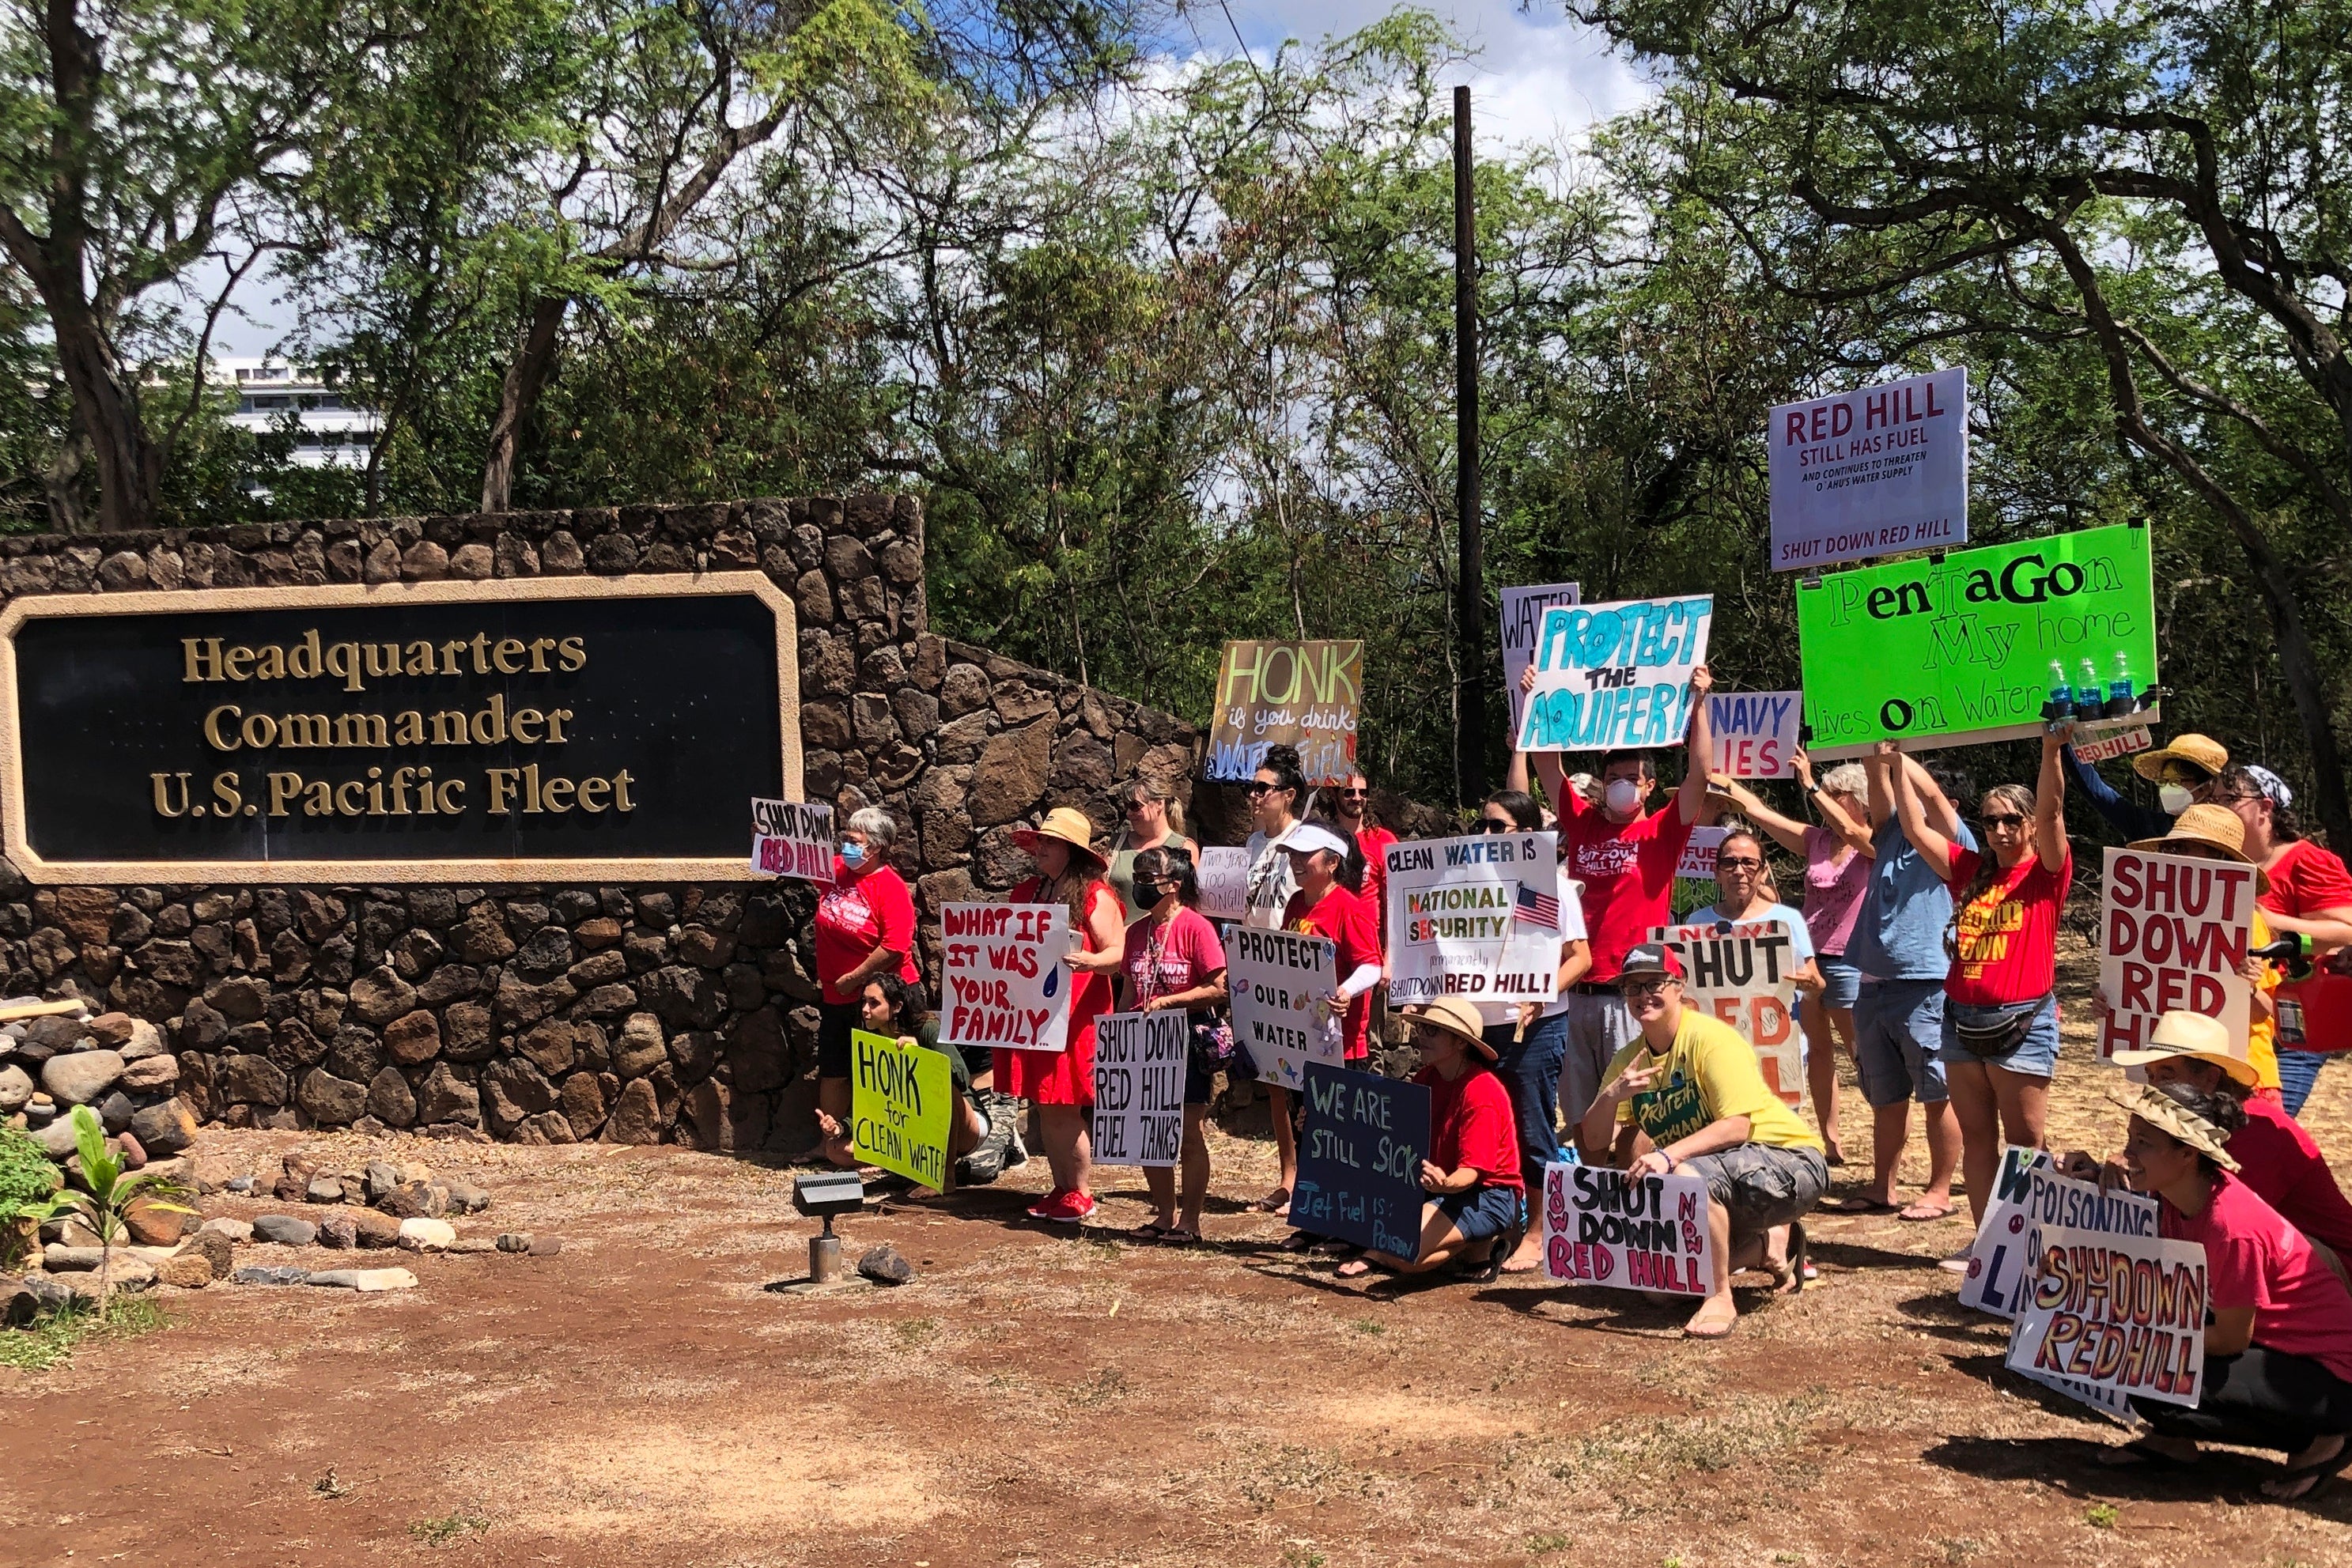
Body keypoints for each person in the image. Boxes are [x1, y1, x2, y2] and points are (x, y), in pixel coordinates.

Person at [2066, 1082, 2352, 1500]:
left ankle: (2327, 1437)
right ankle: (2172, 1440)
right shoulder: (2176, 1198)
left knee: (2148, 1371)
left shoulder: (2231, 1226)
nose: (2127, 1153)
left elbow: (2233, 1338)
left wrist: (2140, 1341)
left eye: (2143, 1143)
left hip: (2332, 1372)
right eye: (2131, 1138)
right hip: (2285, 1352)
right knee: (2142, 1367)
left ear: (2187, 1153)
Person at [1579, 942, 1829, 1338]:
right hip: (1717, 1176)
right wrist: (1611, 1097)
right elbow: (1594, 1141)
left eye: (1654, 984)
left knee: (1686, 1175)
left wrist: (1667, 1155)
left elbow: (1737, 1127)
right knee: (1660, 1291)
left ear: (1679, 987)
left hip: (1790, 1161)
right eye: (1632, 987)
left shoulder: (1711, 1039)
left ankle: (1719, 1297)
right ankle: (1768, 1244)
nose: (1643, 995)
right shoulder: (1629, 1060)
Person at [1515, 662, 1718, 1135]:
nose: (1620, 785)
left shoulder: (1664, 829)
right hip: (1575, 991)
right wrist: (1537, 700)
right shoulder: (1583, 823)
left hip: (1631, 993)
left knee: (1634, 1117)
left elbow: (1700, 775)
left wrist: (1700, 705)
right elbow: (1547, 766)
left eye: (1631, 776)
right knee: (1581, 1118)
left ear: (1649, 785)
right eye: (1612, 777)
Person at [1887, 728, 2070, 1234]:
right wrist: (1896, 765)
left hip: (2022, 1022)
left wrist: (2051, 751)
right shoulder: (1971, 871)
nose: (2000, 830)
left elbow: (2054, 812)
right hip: (1961, 1021)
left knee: (2025, 1142)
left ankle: (2030, 1242)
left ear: (2029, 824)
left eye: (2012, 820)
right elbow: (1915, 827)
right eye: (1990, 821)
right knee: (1977, 1138)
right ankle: (1987, 1247)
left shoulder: (2046, 873)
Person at [1713, 755, 1873, 1164]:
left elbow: (1851, 831)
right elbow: (1759, 812)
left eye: (1838, 794)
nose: (1829, 800)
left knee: (1863, 1055)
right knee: (1818, 1051)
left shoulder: (1870, 842)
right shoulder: (1815, 840)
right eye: (1828, 792)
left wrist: (1811, 784)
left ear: (1859, 800)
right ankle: (1830, 1140)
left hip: (1852, 958)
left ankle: (1885, 1129)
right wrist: (1725, 782)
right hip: (1806, 957)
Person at [2105, 1011, 2352, 1264]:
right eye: (2151, 1076)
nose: (2154, 1088)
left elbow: (2226, 1223)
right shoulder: (2193, 1129)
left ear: (2211, 1078)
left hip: (2329, 1266)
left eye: (2167, 1076)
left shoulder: (2257, 1131)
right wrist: (2118, 1173)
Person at [1837, 750, 1968, 1224]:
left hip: (1925, 984)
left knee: (1937, 1093)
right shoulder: (1891, 831)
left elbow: (1929, 792)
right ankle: (1883, 1187)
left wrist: (1897, 757)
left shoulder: (1956, 841)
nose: (1909, 802)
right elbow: (1879, 786)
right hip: (1872, 984)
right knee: (1885, 1097)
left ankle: (1939, 1189)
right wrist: (1874, 755)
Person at [1473, 790, 1593, 1272]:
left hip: (1536, 1027)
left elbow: (1581, 958)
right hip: (1479, 1025)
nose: (1485, 835)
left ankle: (1541, 1230)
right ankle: (1497, 1220)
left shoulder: (1554, 888)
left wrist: (1541, 995)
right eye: (1481, 825)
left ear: (1525, 833)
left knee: (1532, 1126)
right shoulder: (1466, 884)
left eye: (1496, 827)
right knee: (1487, 1127)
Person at [2094, 806, 2286, 1098]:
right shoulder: (2148, 917)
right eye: (2171, 847)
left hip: (2243, 1081)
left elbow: (2267, 1013)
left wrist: (2247, 987)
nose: (2174, 855)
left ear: (2219, 858)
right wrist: (2111, 1003)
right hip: (2174, 1078)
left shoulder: (2249, 921)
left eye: (2184, 847)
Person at [1335, 998, 1524, 1281]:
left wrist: (1445, 1185)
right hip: (1436, 1187)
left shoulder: (1482, 1091)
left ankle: (1393, 1251)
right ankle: (1472, 1247)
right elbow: (1390, 1131)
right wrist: (1318, 1121)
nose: (1421, 1036)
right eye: (1422, 1028)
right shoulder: (1427, 1077)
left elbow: (1472, 1172)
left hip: (1485, 1194)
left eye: (1433, 1031)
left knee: (1400, 1250)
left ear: (1460, 1043)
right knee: (1401, 1251)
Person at [997, 807, 1126, 1224]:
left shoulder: (1095, 896)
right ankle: (1062, 1186)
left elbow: (1117, 954)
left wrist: (1090, 961)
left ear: (1073, 851)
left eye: (1051, 842)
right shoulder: (1027, 892)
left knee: (1064, 1106)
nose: (1041, 847)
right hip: (1035, 1017)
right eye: (1041, 839)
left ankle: (1081, 1192)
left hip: (1076, 1020)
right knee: (1046, 1104)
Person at [2219, 763, 2352, 1115]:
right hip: (2240, 1027)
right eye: (2215, 800)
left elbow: (2347, 931)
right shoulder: (2224, 865)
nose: (2221, 809)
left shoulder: (2307, 860)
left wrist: (2272, 922)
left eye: (2231, 799)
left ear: (2266, 807)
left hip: (2293, 1025)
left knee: (2267, 1128)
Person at [1120, 845, 1230, 1244]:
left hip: (1186, 1037)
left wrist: (1170, 1002)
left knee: (1188, 1130)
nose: (1141, 886)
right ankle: (1164, 1215)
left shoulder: (1196, 928)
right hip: (1145, 1039)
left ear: (1175, 885)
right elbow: (1128, 992)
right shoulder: (1135, 933)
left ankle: (1191, 1220)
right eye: (1137, 878)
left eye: (1149, 879)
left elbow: (1219, 988)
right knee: (1150, 1128)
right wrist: (1116, 1038)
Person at [811, 807, 922, 1168]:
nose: (845, 845)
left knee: (884, 1070)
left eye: (854, 840)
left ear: (874, 847)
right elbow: (797, 861)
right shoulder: (836, 871)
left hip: (881, 997)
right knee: (834, 1067)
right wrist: (766, 841)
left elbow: (895, 946)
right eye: (846, 838)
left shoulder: (891, 887)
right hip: (837, 994)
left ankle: (894, 1145)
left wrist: (856, 978)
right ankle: (829, 1141)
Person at [815, 973, 989, 1173]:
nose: (865, 1009)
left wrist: (921, 1056)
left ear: (897, 1007)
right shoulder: (871, 1043)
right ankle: (897, 1163)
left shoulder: (926, 1027)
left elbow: (961, 1077)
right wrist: (840, 1127)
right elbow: (871, 1102)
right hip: (908, 1130)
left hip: (961, 1128)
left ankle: (936, 1171)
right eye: (864, 1002)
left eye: (874, 1003)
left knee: (947, 1090)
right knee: (835, 1149)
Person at [2061, 731, 2228, 841]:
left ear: (2207, 786)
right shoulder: (2150, 827)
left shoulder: (2230, 833)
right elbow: (2098, 792)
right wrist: (2065, 743)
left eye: (2176, 782)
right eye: (2163, 782)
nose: (2167, 789)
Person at [1106, 776, 1197, 920]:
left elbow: (1185, 903)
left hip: (1156, 932)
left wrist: (1133, 930)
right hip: (1112, 932)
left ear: (1159, 804)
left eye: (1135, 806)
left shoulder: (1183, 848)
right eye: (1126, 806)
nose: (1128, 813)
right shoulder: (1117, 844)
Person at [1242, 744, 1310, 931]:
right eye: (1252, 787)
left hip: (1288, 940)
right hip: (1251, 942)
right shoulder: (1253, 842)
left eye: (1262, 788)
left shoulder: (1303, 839)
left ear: (1289, 796)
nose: (1253, 795)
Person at [1334, 769, 1399, 958]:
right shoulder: (1324, 838)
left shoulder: (1383, 840)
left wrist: (1390, 958)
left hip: (1368, 947)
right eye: (1349, 792)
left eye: (1363, 792)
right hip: (1329, 942)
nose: (1357, 798)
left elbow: (1395, 903)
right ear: (1333, 795)